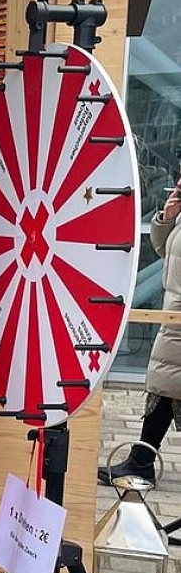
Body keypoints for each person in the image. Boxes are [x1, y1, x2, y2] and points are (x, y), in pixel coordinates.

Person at [99, 177, 181, 485]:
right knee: (166, 386)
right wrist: (166, 219)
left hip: (178, 318)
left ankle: (140, 461)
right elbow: (165, 251)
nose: (178, 181)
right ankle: (141, 460)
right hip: (173, 314)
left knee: (163, 383)